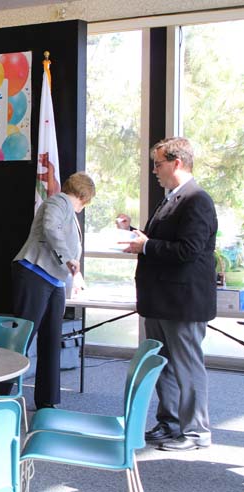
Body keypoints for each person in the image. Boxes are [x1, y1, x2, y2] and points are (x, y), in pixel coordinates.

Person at [122, 137, 217, 451]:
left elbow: (189, 250)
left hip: (182, 303)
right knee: (163, 364)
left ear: (177, 163)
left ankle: (196, 433)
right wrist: (139, 235)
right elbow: (167, 241)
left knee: (187, 366)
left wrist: (146, 245)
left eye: (158, 163)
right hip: (161, 300)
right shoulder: (172, 199)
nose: (154, 170)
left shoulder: (197, 199)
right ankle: (170, 423)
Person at [0, 172, 95, 408]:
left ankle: (48, 400)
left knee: (51, 339)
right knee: (23, 336)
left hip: (53, 281)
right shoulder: (58, 201)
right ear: (84, 195)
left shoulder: (68, 210)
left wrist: (73, 274)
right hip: (34, 273)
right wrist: (68, 259)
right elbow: (50, 228)